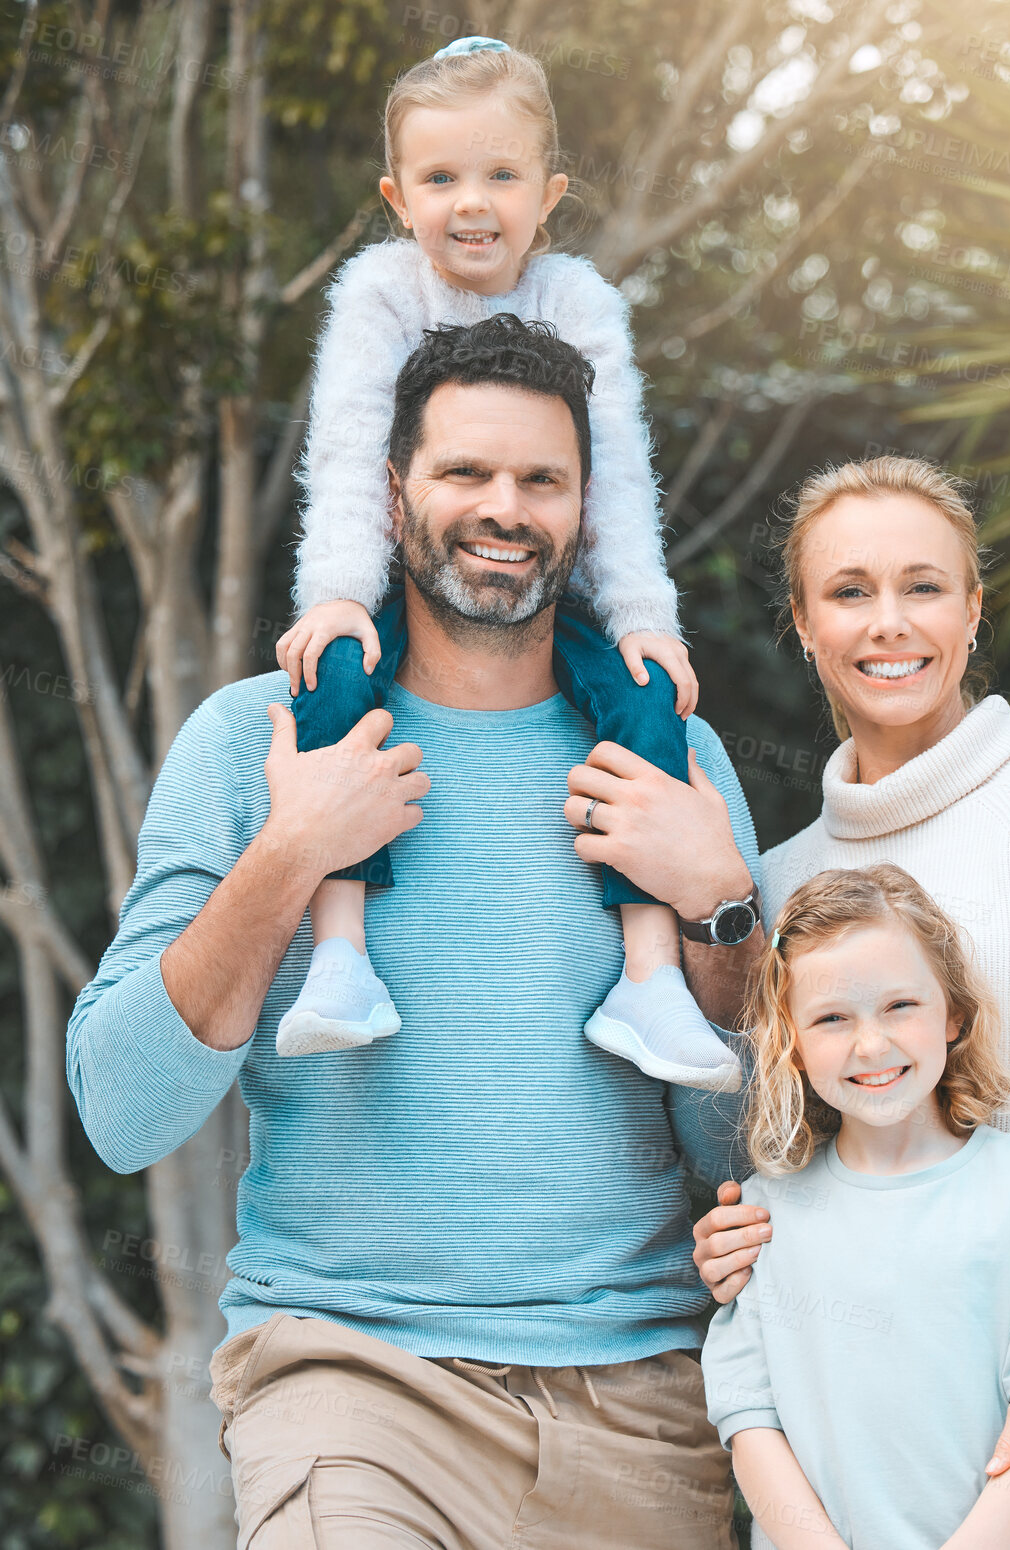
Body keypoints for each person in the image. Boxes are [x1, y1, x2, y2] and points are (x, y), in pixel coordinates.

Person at [65, 317, 766, 1549]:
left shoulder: (677, 764)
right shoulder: (249, 741)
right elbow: (121, 1110)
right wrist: (291, 849)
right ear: (393, 495)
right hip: (352, 1384)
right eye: (466, 473)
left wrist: (721, 918)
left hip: (642, 1406)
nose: (505, 507)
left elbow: (740, 1146)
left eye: (541, 479)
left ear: (585, 509)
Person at [691, 456, 1010, 1550]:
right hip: (876, 1486)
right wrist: (741, 1231)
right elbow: (790, 1160)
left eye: (924, 586)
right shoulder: (782, 884)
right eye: (849, 590)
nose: (891, 623)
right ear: (801, 621)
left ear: (973, 608)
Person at [269, 35, 740, 1091]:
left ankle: (651, 976)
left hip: (546, 596)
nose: (470, 203)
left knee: (648, 698)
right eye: (440, 178)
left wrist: (639, 613)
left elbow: (612, 474)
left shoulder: (579, 304)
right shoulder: (380, 295)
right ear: (397, 195)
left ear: (549, 193)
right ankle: (341, 954)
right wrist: (340, 594)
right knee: (334, 685)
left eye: (500, 176)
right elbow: (350, 449)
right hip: (401, 581)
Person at [703, 863, 1010, 1550]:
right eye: (831, 1018)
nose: (871, 1044)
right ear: (792, 1046)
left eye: (899, 1006)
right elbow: (749, 1419)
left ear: (953, 1014)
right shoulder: (766, 1220)